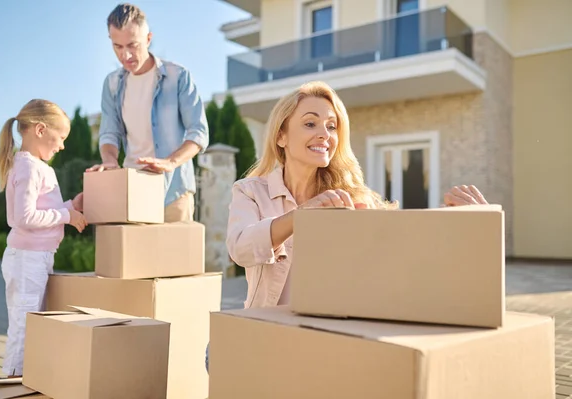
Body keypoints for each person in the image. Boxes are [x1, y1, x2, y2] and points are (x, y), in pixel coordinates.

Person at [205, 81, 489, 372]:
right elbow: (240, 248)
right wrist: (302, 215)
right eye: (310, 123)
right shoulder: (251, 191)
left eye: (331, 126)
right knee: (215, 355)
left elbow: (402, 240)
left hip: (325, 337)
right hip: (266, 330)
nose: (324, 134)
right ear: (281, 136)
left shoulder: (350, 197)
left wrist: (467, 220)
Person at [0, 99, 87, 377]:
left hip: (36, 258)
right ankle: (12, 382)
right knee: (25, 324)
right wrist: (66, 217)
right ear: (41, 130)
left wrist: (70, 206)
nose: (63, 145)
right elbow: (24, 218)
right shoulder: (29, 167)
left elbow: (41, 211)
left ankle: (21, 378)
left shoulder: (35, 167)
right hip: (27, 259)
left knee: (30, 322)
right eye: (61, 137)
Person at [87, 3, 209, 222]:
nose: (125, 55)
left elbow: (199, 132)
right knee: (134, 257)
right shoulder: (112, 84)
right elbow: (109, 133)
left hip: (175, 190)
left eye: (132, 45)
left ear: (148, 38)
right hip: (133, 191)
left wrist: (170, 162)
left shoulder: (178, 76)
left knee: (176, 256)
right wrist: (109, 161)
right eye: (117, 46)